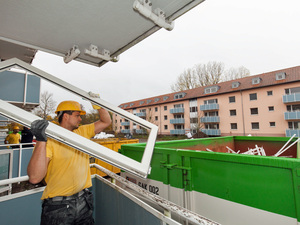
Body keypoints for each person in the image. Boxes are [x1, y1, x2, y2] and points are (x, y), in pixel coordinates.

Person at [27, 100, 111, 225]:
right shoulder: (49, 139)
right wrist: (40, 140)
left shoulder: (82, 132)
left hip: (84, 201)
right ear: (66, 116)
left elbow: (106, 121)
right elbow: (35, 178)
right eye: (77, 115)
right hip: (58, 207)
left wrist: (96, 103)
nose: (80, 119)